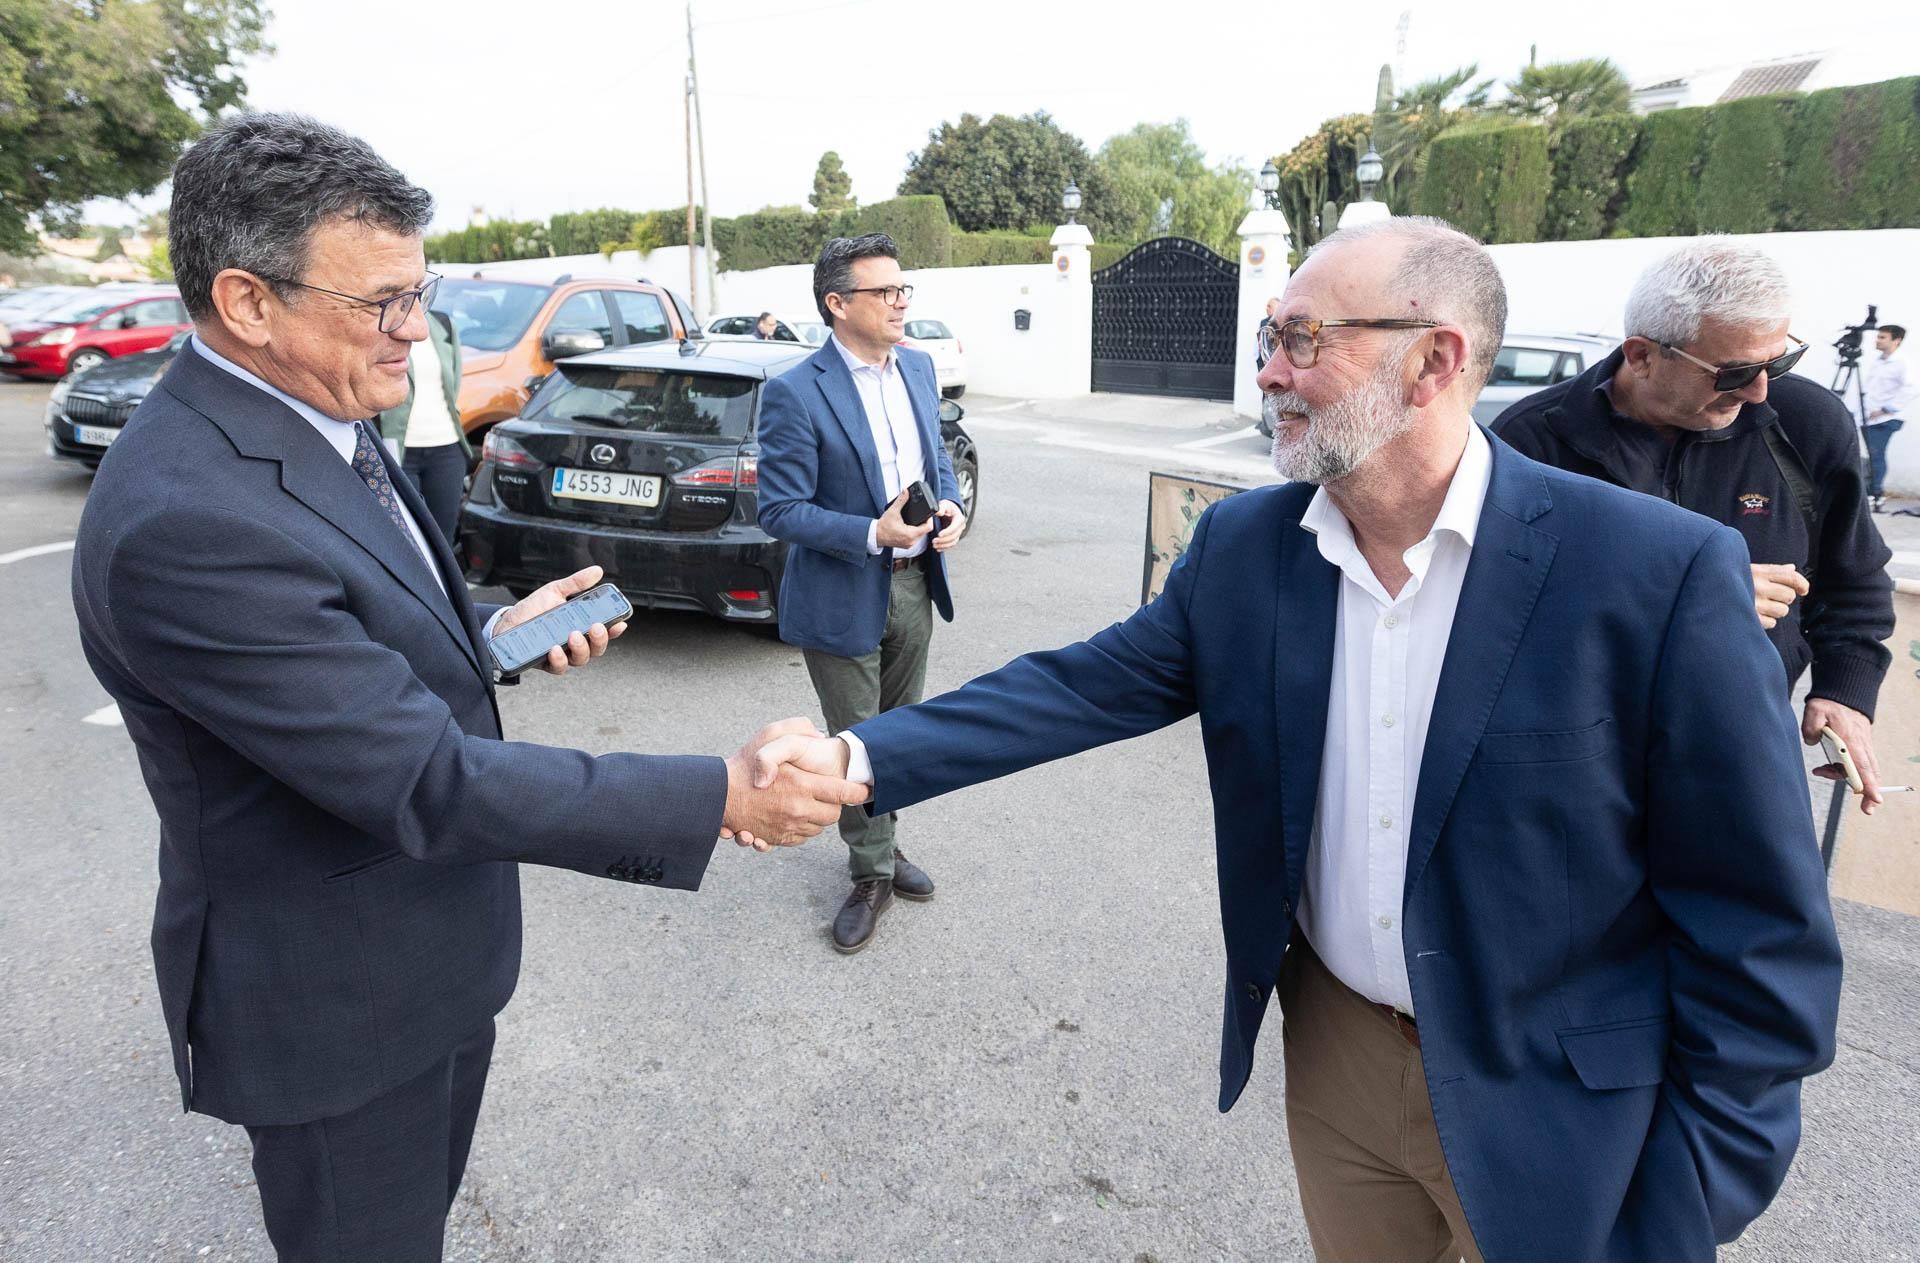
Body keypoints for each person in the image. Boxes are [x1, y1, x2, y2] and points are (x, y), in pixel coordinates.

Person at [747, 218, 1842, 1261]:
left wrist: (1705, 1180)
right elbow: (1082, 687)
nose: (1269, 371)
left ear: (1436, 359)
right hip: (1343, 1065)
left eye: (1303, 340)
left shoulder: (1655, 571)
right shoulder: (1245, 546)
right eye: (1272, 338)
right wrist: (859, 761)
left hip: (1569, 1100)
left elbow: (1758, 915)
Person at [70, 113, 864, 1263]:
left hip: (425, 958)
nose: (414, 331)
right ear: (247, 301)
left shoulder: (313, 397)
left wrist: (488, 633)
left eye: (418, 290)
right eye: (381, 302)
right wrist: (719, 794)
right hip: (335, 1005)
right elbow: (425, 779)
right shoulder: (184, 518)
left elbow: (339, 623)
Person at [1493, 241, 1895, 812]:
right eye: (1733, 373)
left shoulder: (1806, 423)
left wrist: (1845, 690)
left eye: (1778, 363)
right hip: (1579, 771)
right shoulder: (1530, 444)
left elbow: (1854, 580)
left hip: (1747, 757)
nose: (1760, 391)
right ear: (1641, 355)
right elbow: (1494, 613)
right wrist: (1695, 591)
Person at [756, 233, 967, 954]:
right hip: (842, 590)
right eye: (886, 292)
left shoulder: (918, 366)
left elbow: (936, 459)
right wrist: (872, 532)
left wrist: (952, 508)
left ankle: (884, 844)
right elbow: (778, 509)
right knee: (857, 740)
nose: (901, 303)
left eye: (905, 289)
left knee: (900, 736)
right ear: (838, 304)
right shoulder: (794, 390)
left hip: (915, 587)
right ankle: (871, 871)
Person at [377, 304, 468, 546]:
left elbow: (454, 381)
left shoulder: (442, 323)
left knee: (443, 539)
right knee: (404, 539)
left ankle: (443, 586)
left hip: (447, 448)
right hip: (400, 450)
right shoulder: (384, 323)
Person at [1862, 322, 1909, 511]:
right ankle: (1871, 492)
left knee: (1876, 455)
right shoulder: (1879, 361)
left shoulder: (1902, 363)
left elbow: (1912, 388)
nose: (1878, 340)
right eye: (1877, 336)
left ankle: (1876, 494)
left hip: (1885, 419)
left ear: (1896, 340)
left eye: (1883, 337)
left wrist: (1886, 409)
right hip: (1868, 417)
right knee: (1871, 455)